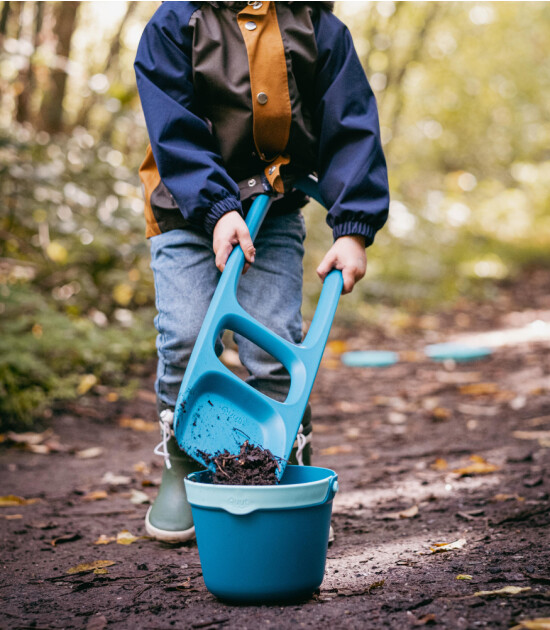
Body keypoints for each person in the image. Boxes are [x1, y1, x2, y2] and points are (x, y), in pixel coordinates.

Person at [134, 0, 389, 542]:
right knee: (184, 335)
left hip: (269, 213)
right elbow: (172, 128)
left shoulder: (319, 27)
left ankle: (283, 460)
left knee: (273, 343)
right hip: (185, 211)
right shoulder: (176, 23)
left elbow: (352, 127)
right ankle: (183, 461)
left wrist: (353, 227)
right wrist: (216, 207)